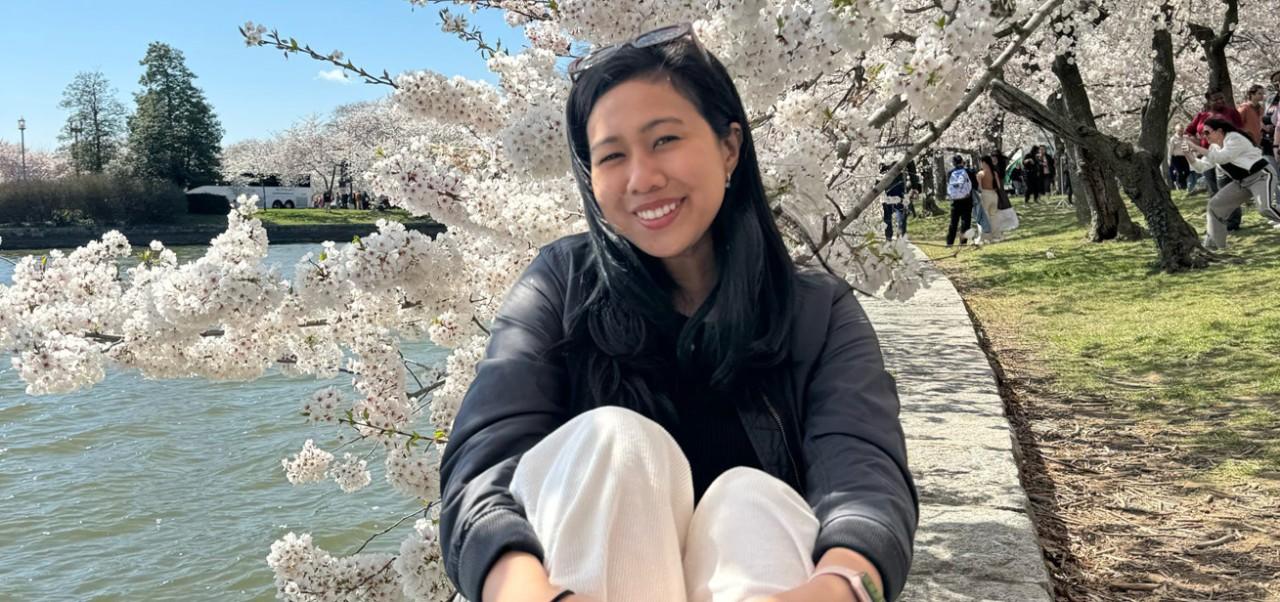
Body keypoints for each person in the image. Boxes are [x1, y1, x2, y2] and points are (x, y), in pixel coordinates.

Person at [439, 23, 915, 602]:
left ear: (730, 147)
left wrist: (842, 586)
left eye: (664, 139)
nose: (643, 178)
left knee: (750, 499)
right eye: (612, 156)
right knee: (612, 442)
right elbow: (483, 469)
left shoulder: (817, 312)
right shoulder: (560, 285)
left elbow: (865, 479)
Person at [1183, 117, 1280, 249]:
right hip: (1242, 182)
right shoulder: (1214, 147)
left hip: (1261, 176)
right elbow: (1201, 167)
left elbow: (1222, 157)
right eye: (1202, 134)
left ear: (1219, 131)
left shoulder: (1234, 138)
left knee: (1265, 208)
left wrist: (1194, 146)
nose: (1204, 136)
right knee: (1215, 206)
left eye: (1207, 132)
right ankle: (1215, 246)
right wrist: (1188, 154)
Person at [1184, 90, 1245, 197]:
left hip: (1226, 155)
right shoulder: (1201, 116)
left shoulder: (1231, 112)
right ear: (1208, 101)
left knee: (1228, 190)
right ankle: (1219, 213)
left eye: (1221, 98)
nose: (1220, 101)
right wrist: (1195, 142)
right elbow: (1188, 132)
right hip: (1207, 156)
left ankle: (1233, 213)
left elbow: (1240, 131)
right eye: (1215, 99)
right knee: (1213, 191)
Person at [945, 155, 975, 246]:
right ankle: (963, 242)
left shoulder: (950, 173)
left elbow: (949, 184)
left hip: (955, 200)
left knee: (953, 222)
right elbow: (974, 184)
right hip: (967, 199)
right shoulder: (968, 171)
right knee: (965, 222)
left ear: (953, 163)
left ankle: (949, 243)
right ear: (962, 161)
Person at [976, 155, 1003, 242]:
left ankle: (985, 236)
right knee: (994, 216)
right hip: (994, 195)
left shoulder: (980, 174)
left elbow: (979, 187)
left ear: (984, 163)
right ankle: (996, 236)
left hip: (985, 194)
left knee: (984, 217)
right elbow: (998, 186)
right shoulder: (994, 173)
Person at [881, 163, 908, 240]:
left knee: (899, 217)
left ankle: (897, 235)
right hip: (889, 195)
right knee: (889, 217)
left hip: (897, 195)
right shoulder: (884, 168)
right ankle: (890, 236)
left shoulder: (901, 171)